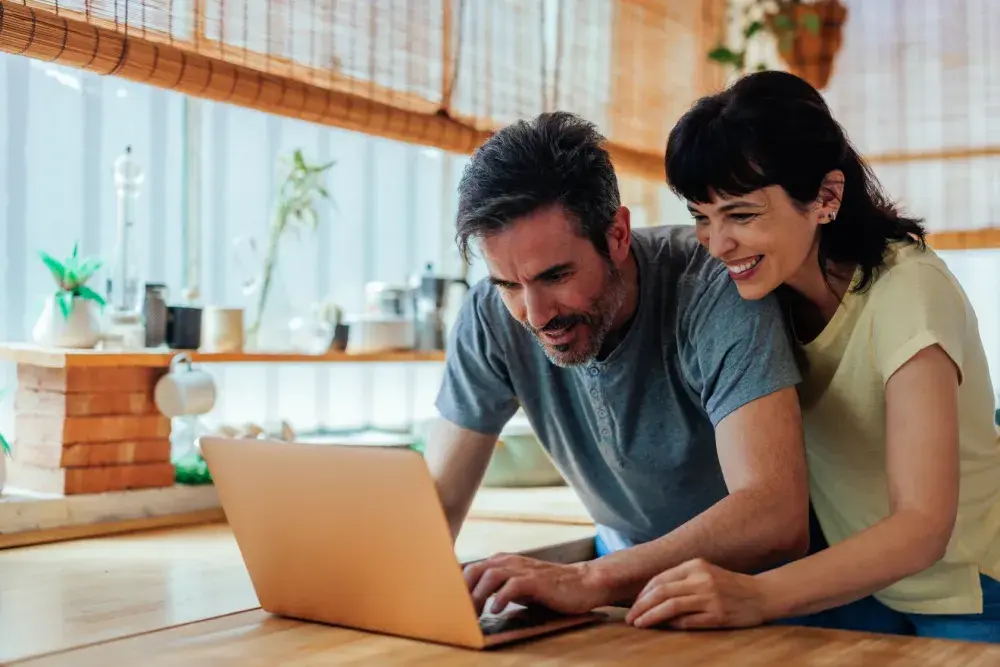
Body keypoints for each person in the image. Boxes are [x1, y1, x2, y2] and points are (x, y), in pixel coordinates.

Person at [625, 70, 1000, 642]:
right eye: (703, 216)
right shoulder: (760, 294)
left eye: (742, 215)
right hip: (868, 592)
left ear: (826, 197)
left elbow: (924, 526)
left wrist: (757, 595)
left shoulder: (909, 291)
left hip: (974, 586)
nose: (717, 244)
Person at [424, 110, 810, 618]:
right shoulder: (489, 316)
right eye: (510, 285)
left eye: (556, 275)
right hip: (621, 577)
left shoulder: (715, 288)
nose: (536, 315)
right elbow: (435, 509)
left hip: (751, 590)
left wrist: (590, 579)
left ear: (618, 235)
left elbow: (776, 518)